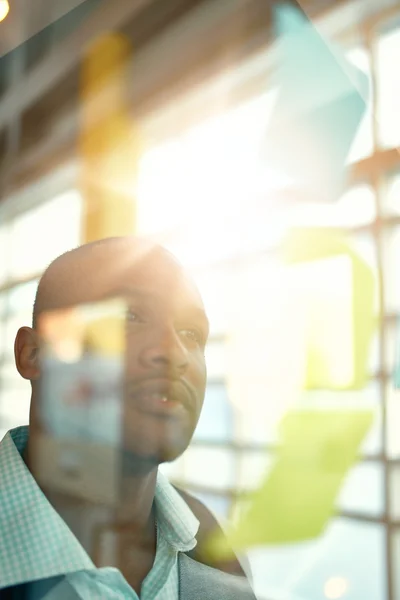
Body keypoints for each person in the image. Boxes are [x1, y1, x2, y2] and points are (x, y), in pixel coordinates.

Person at [0, 237, 256, 599]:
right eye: (129, 316)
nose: (174, 353)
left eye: (191, 334)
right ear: (33, 354)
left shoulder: (222, 552)